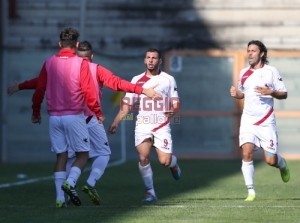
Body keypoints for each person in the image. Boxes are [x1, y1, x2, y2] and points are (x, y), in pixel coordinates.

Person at [7, 41, 161, 207]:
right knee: (103, 153)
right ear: (92, 56)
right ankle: (87, 183)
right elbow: (117, 83)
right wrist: (143, 90)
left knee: (65, 157)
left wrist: (20, 86)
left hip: (64, 118)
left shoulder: (63, 68)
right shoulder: (96, 69)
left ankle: (60, 198)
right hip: (87, 118)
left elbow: (41, 81)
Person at [31, 27, 103, 207]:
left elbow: (40, 89)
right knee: (83, 154)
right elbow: (88, 92)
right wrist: (98, 112)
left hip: (54, 118)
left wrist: (36, 111)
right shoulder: (81, 63)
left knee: (61, 156)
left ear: (59, 44)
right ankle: (70, 183)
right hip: (74, 116)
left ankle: (60, 198)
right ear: (76, 44)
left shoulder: (48, 62)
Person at [108, 48, 181, 203]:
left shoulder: (168, 79)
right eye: (148, 57)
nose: (150, 60)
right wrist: (116, 121)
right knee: (143, 157)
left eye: (154, 58)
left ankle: (173, 164)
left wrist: (173, 110)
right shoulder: (136, 80)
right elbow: (127, 104)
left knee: (164, 161)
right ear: (144, 60)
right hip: (143, 124)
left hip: (162, 124)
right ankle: (150, 192)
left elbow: (175, 101)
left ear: (160, 61)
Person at [229, 40, 290, 201]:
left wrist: (271, 91)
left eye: (253, 51)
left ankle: (282, 164)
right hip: (248, 120)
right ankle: (251, 192)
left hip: (266, 121)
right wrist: (237, 94)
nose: (249, 53)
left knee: (270, 160)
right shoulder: (243, 73)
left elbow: (284, 94)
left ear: (262, 53)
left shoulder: (271, 71)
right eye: (248, 50)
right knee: (247, 152)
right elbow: (243, 93)